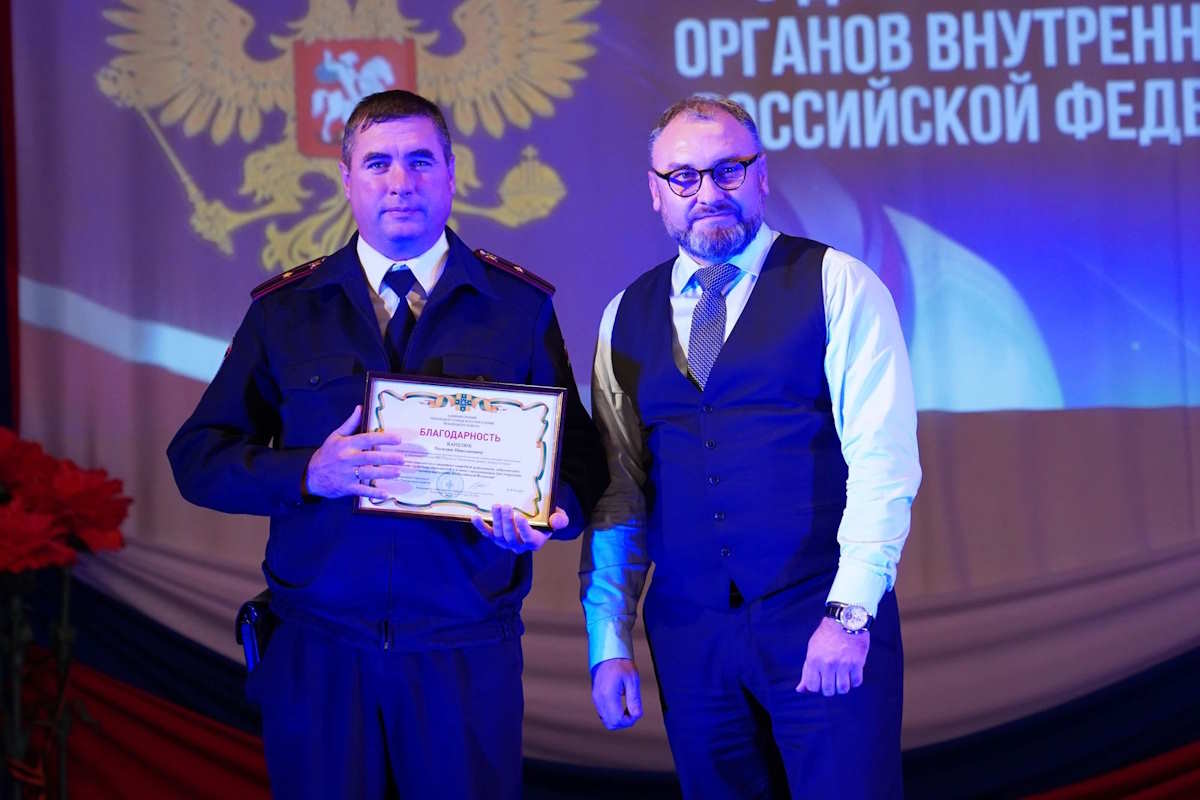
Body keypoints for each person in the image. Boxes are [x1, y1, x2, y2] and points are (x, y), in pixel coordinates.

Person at [168, 89, 607, 800]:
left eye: (419, 161)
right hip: (320, 651)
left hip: (463, 649)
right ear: (347, 179)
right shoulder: (287, 311)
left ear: (452, 174)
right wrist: (307, 473)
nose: (400, 182)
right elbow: (196, 458)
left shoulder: (517, 308)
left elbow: (579, 455)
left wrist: (549, 513)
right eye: (378, 163)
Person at [580, 95, 921, 799]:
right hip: (692, 639)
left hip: (819, 615)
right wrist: (608, 642)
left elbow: (883, 463)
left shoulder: (838, 284)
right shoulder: (623, 317)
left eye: (727, 170)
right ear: (656, 191)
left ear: (762, 176)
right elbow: (619, 491)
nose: (707, 193)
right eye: (683, 177)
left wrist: (849, 613)